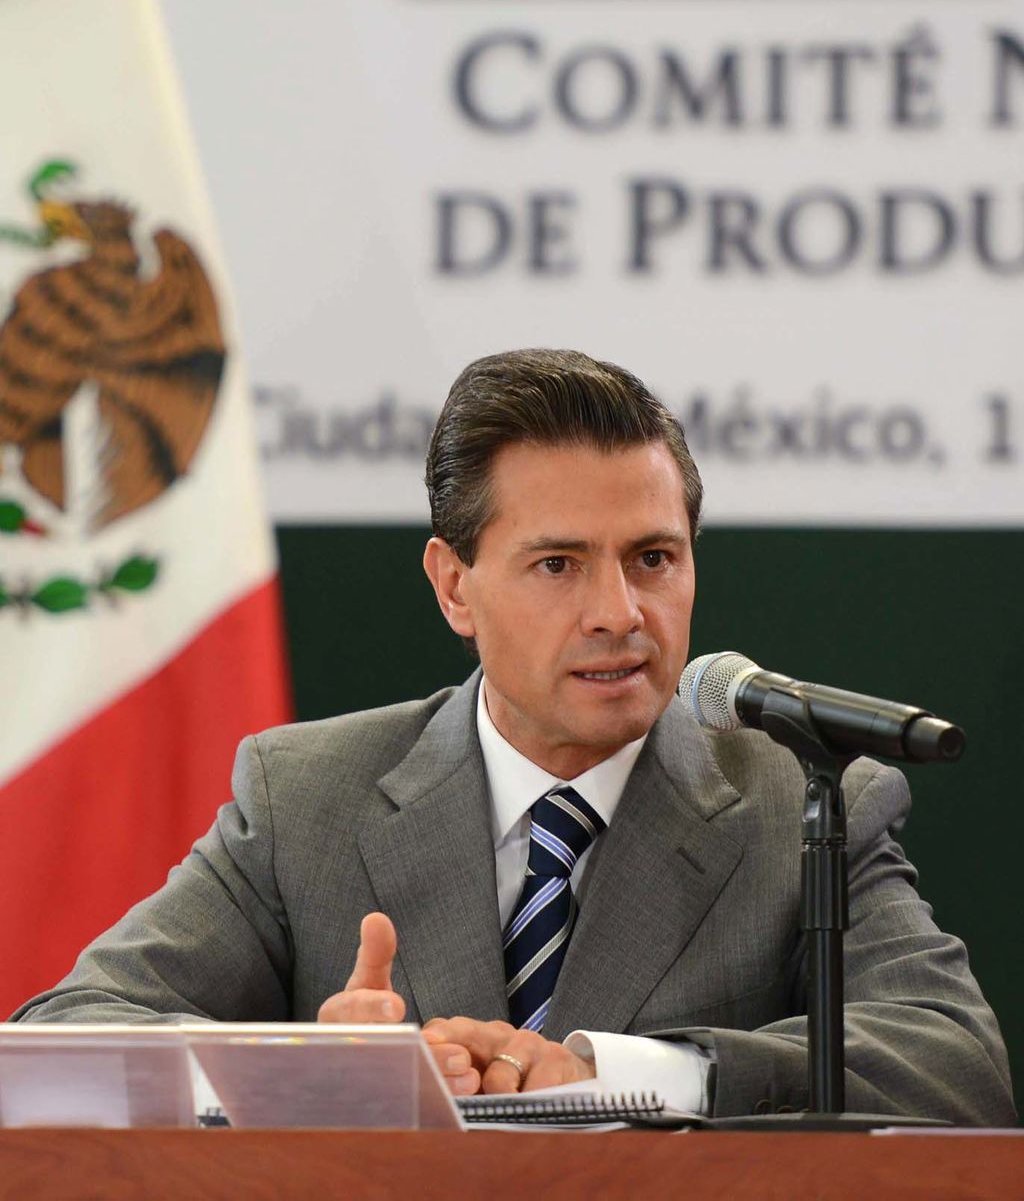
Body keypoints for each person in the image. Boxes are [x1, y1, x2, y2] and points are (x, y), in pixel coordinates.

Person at [13, 349, 1016, 1124]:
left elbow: (955, 1063)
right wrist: (297, 1071)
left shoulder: (802, 800)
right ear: (454, 585)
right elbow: (61, 1035)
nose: (619, 612)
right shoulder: (305, 796)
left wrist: (623, 1072)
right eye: (557, 565)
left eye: (653, 557)